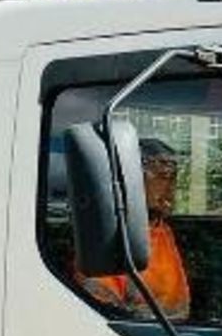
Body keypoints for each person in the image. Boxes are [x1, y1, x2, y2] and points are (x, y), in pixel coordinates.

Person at [78, 137, 192, 321]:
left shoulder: (162, 229)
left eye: (174, 178)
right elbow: (102, 313)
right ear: (131, 181)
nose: (171, 187)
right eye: (163, 177)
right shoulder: (108, 237)